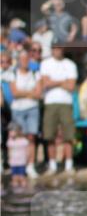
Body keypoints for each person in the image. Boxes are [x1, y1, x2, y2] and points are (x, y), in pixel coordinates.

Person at [39, 45, 78, 175]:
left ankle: (68, 165)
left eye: (60, 48)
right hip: (50, 102)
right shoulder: (45, 63)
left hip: (66, 102)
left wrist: (53, 82)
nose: (57, 50)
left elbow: (72, 86)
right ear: (51, 50)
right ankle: (52, 165)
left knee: (68, 135)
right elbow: (45, 83)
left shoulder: (70, 64)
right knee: (50, 135)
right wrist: (63, 81)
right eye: (55, 48)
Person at [9, 49, 41, 178]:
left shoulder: (35, 73)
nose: (24, 61)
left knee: (31, 137)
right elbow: (14, 93)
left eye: (26, 59)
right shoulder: (13, 74)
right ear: (18, 61)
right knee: (19, 138)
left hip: (32, 108)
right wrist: (30, 93)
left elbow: (38, 93)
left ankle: (30, 165)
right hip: (18, 109)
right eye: (22, 59)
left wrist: (24, 93)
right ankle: (19, 166)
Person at [6, 124, 29, 188]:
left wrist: (27, 160)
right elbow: (9, 151)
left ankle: (24, 192)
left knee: (22, 177)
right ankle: (15, 194)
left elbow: (27, 151)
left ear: (18, 131)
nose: (9, 133)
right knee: (14, 178)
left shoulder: (24, 141)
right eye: (9, 131)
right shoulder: (10, 141)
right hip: (13, 162)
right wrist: (9, 159)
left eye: (11, 131)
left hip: (22, 162)